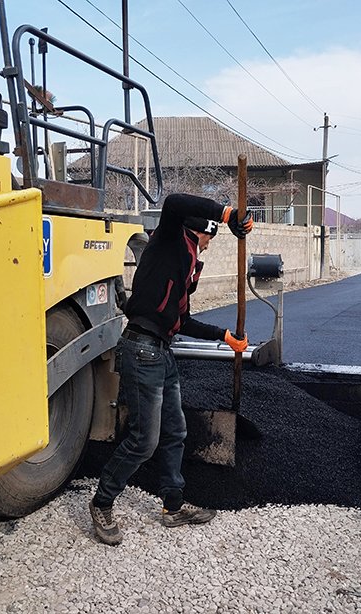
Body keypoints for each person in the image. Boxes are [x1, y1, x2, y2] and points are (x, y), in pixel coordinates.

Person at [89, 193, 253, 546]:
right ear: (201, 229)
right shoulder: (168, 241)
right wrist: (226, 212)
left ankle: (173, 507)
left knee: (175, 431)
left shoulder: (186, 265)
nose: (210, 244)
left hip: (162, 353)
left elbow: (183, 320)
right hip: (140, 349)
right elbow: (175, 200)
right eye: (211, 235)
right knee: (143, 441)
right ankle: (102, 502)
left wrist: (223, 336)